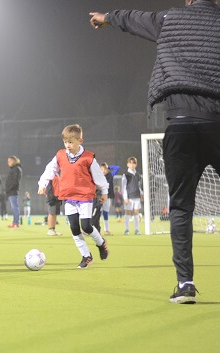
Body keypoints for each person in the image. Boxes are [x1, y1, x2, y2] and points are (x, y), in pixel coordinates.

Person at [89, 0, 220, 304]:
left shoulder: (169, 19)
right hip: (217, 122)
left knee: (181, 208)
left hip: (181, 124)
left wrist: (108, 17)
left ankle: (185, 284)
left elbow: (135, 19)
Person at [38, 124, 109, 269]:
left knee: (86, 227)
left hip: (85, 197)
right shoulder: (60, 155)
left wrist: (105, 191)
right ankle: (86, 256)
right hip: (69, 197)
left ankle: (101, 243)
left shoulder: (88, 158)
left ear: (80, 141)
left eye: (70, 142)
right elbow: (50, 169)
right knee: (75, 228)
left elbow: (99, 176)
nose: (67, 145)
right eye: (65, 142)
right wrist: (42, 184)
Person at [121, 157, 142, 235]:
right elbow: (123, 187)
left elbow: (139, 186)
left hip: (137, 196)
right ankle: (127, 229)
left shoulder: (138, 175)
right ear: (127, 164)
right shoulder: (125, 175)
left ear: (136, 164)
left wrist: (142, 194)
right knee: (128, 212)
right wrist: (125, 198)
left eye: (134, 163)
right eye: (130, 163)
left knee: (136, 212)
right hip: (129, 197)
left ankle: (136, 229)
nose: (132, 165)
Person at [100, 163, 119, 234]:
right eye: (102, 169)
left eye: (105, 169)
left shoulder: (110, 175)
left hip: (107, 197)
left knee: (105, 212)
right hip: (99, 197)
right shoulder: (98, 176)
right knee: (96, 213)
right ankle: (92, 229)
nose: (104, 171)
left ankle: (106, 230)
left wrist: (109, 167)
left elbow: (117, 167)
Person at [5, 155, 22, 228]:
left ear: (13, 161)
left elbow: (15, 182)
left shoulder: (16, 169)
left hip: (13, 191)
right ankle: (15, 222)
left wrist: (9, 189)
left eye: (9, 161)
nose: (8, 162)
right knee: (14, 207)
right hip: (11, 191)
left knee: (14, 207)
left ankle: (16, 222)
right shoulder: (14, 169)